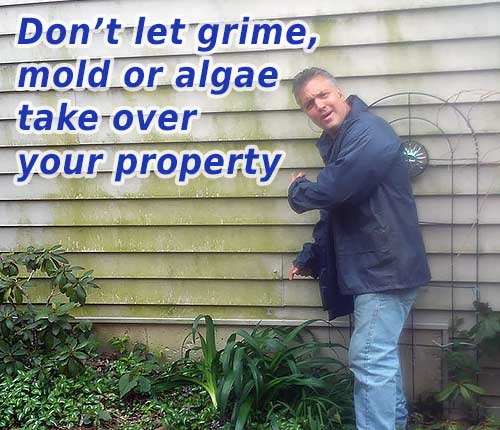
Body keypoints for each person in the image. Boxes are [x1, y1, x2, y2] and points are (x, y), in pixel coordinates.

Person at [287, 67, 431, 430]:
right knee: (378, 359)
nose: (319, 105)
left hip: (384, 269)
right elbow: (338, 210)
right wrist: (311, 256)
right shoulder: (343, 142)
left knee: (369, 359)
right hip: (377, 269)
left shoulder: (368, 132)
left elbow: (334, 191)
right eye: (309, 103)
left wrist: (297, 191)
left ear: (340, 92)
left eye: (323, 95)